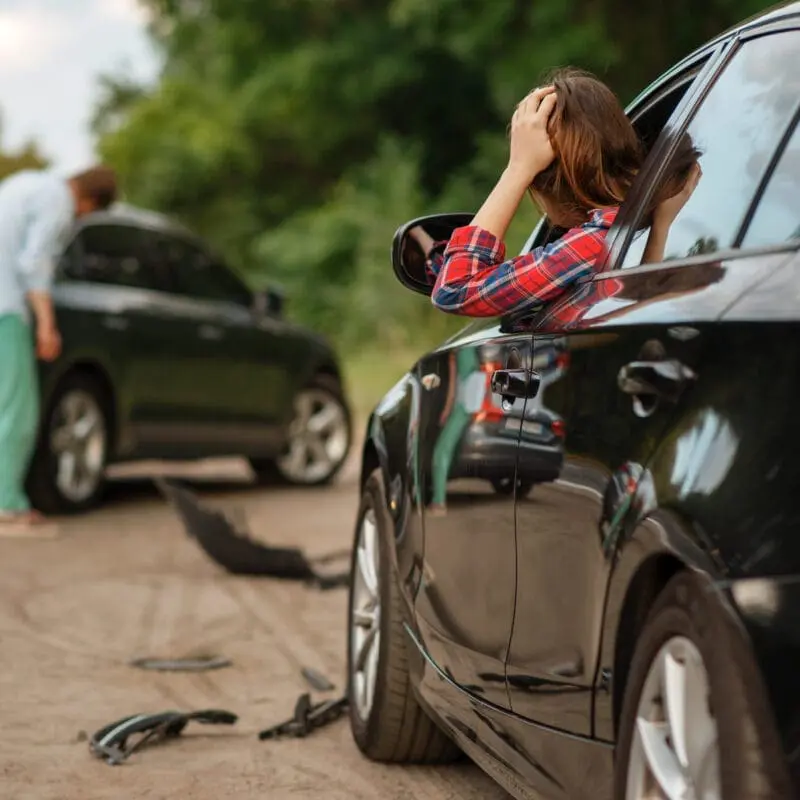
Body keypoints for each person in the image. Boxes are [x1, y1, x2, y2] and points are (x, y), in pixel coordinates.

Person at [423, 67, 701, 318]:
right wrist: (660, 228)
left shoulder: (592, 244)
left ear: (546, 184)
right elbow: (642, 308)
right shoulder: (638, 227)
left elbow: (455, 290)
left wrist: (517, 170)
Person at [0, 166, 118, 533]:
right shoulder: (58, 203)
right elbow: (35, 262)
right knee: (16, 410)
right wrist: (46, 325)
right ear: (89, 202)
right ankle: (6, 505)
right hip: (4, 306)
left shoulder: (25, 182)